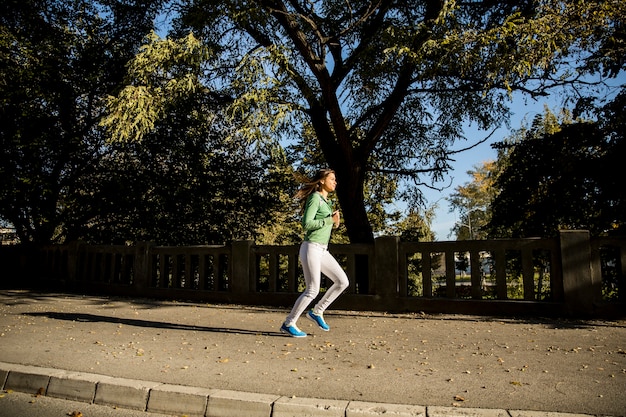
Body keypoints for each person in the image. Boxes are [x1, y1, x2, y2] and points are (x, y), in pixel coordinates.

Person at [280, 168, 350, 338]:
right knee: (312, 290)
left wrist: (334, 222)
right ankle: (289, 323)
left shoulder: (326, 202)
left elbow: (323, 223)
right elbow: (306, 224)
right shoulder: (315, 198)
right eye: (332, 179)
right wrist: (329, 220)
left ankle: (317, 311)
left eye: (335, 179)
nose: (335, 182)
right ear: (321, 181)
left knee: (342, 282)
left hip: (322, 250)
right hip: (311, 247)